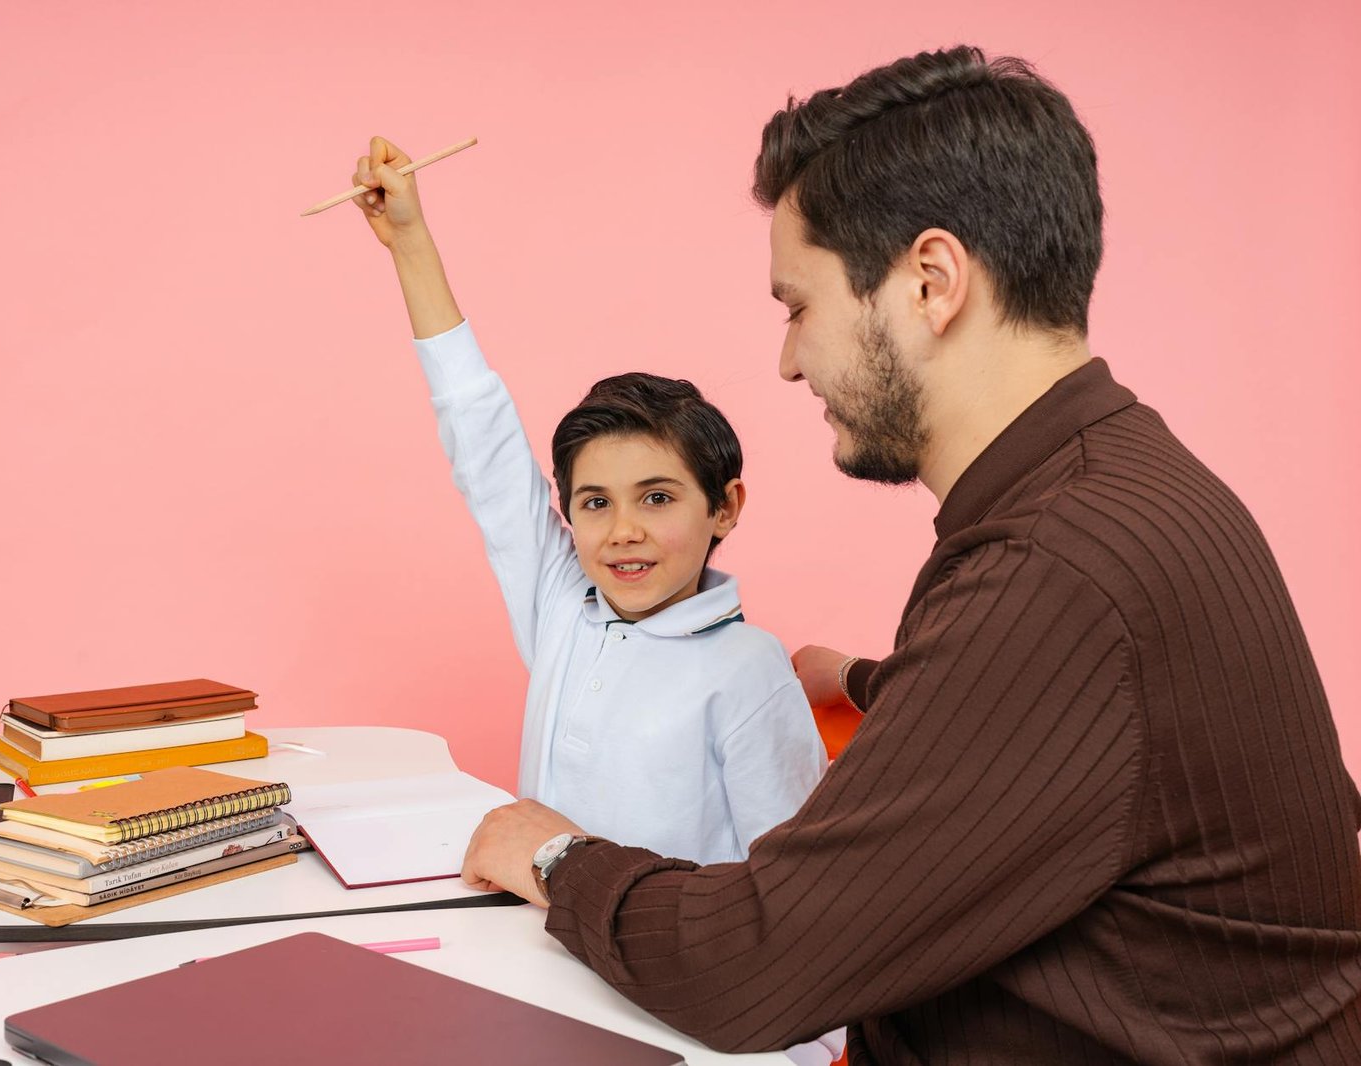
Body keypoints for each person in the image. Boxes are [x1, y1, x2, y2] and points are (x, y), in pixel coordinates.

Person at [460, 45, 1361, 1063]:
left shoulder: (1050, 573)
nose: (789, 358)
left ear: (930, 281)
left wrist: (555, 853)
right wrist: (863, 679)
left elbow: (757, 963)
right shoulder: (1125, 487)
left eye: (800, 305)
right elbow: (1090, 737)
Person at [344, 139, 827, 868]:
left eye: (657, 498)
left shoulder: (749, 670)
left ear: (724, 508)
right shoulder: (565, 609)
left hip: (663, 972)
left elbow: (793, 890)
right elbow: (484, 444)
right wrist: (409, 240)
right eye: (595, 503)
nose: (623, 532)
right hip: (533, 948)